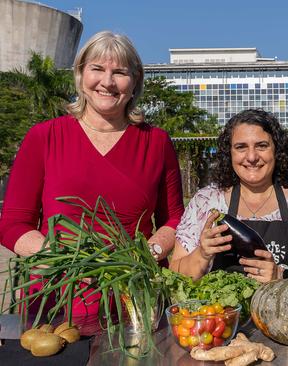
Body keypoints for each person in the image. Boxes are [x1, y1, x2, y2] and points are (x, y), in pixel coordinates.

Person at [0, 31, 185, 315]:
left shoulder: (156, 142)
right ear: (80, 75)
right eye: (97, 69)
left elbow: (174, 218)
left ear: (135, 81)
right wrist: (67, 260)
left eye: (120, 72)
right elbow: (13, 224)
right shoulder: (44, 137)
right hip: (55, 297)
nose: (107, 82)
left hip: (134, 297)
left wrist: (150, 252)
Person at [170, 109, 288, 282]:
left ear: (276, 150)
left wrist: (281, 274)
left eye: (261, 146)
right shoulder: (205, 202)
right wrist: (201, 254)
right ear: (229, 153)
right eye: (241, 147)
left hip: (281, 308)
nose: (252, 157)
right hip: (219, 309)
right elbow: (175, 273)